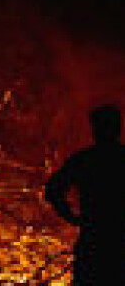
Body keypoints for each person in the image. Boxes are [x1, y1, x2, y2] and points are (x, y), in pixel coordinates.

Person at [45, 104, 125, 285]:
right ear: (118, 128)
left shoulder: (84, 160)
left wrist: (72, 217)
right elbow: (53, 190)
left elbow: (53, 191)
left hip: (92, 240)